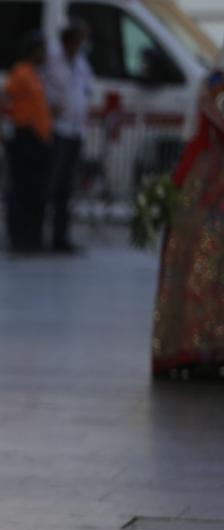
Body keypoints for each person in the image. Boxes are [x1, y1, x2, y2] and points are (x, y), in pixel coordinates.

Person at [151, 56, 224, 380]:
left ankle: (197, 345)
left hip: (205, 180)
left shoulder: (211, 84)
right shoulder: (215, 86)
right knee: (204, 262)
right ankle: (198, 346)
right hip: (210, 185)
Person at [0, 32, 53, 254]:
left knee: (37, 191)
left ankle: (33, 237)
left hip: (38, 139)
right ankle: (19, 237)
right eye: (42, 49)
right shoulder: (21, 73)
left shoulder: (36, 75)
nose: (46, 54)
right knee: (21, 190)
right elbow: (1, 97)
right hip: (24, 137)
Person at [44, 21, 93, 253]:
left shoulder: (81, 63)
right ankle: (41, 234)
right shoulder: (52, 60)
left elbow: (85, 90)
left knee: (66, 189)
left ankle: (60, 238)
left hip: (75, 130)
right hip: (58, 130)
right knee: (51, 185)